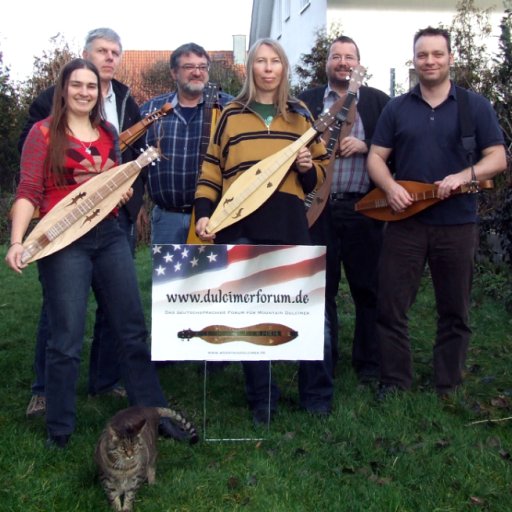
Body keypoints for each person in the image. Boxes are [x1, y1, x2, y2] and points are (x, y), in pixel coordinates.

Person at [5, 58, 194, 448]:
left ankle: (153, 414)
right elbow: (27, 191)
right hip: (63, 241)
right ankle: (59, 429)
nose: (84, 92)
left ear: (98, 93)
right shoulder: (43, 134)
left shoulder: (108, 131)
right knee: (66, 337)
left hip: (109, 235)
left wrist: (122, 191)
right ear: (63, 89)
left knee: (131, 329)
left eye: (91, 87)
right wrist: (18, 240)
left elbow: (114, 179)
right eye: (77, 85)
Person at [194, 38, 332, 425]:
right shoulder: (230, 115)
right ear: (250, 68)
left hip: (289, 225)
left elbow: (319, 173)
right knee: (249, 317)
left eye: (275, 62)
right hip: (239, 228)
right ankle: (262, 400)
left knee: (309, 313)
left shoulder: (300, 115)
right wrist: (205, 214)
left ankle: (317, 397)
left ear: (284, 69)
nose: (268, 68)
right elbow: (211, 171)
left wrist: (306, 166)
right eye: (261, 61)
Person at [367, 27, 506, 398]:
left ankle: (448, 382)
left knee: (454, 308)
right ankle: (395, 381)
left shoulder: (474, 106)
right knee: (391, 305)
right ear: (414, 60)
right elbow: (376, 158)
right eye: (423, 55)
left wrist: (462, 177)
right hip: (404, 223)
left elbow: (498, 158)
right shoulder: (397, 108)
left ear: (450, 58)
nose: (430, 61)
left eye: (437, 54)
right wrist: (391, 187)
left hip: (457, 222)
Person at [19, 28, 145, 417]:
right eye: (101, 52)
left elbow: (126, 163)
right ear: (84, 58)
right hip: (62, 230)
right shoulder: (46, 110)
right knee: (61, 319)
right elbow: (33, 177)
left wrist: (126, 198)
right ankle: (47, 395)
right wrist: (20, 236)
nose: (109, 58)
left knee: (119, 314)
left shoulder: (123, 102)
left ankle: (107, 382)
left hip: (110, 226)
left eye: (114, 52)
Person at [299, 35, 390, 383]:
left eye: (349, 57)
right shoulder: (306, 102)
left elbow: (394, 146)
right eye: (336, 57)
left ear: (359, 63)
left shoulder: (379, 102)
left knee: (368, 289)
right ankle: (326, 360)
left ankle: (368, 363)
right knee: (323, 290)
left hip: (363, 208)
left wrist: (366, 145)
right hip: (317, 210)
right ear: (327, 64)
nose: (342, 62)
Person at [140, 42, 232, 246]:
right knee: (169, 278)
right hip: (167, 219)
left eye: (202, 67)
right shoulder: (151, 111)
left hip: (214, 217)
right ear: (174, 72)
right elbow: (136, 164)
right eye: (189, 67)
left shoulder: (228, 108)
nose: (197, 73)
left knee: (211, 277)